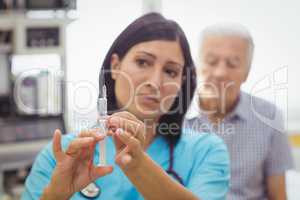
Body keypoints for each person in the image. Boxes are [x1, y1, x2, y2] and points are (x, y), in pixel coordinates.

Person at [21, 13, 230, 200]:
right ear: (115, 66)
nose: (155, 82)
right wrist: (55, 196)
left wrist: (138, 165)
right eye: (143, 62)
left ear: (181, 83)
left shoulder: (206, 151)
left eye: (170, 71)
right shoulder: (63, 155)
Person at [184, 23, 294, 200]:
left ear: (247, 73)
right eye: (211, 62)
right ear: (195, 65)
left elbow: (279, 195)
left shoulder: (269, 117)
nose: (220, 72)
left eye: (233, 64)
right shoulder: (172, 116)